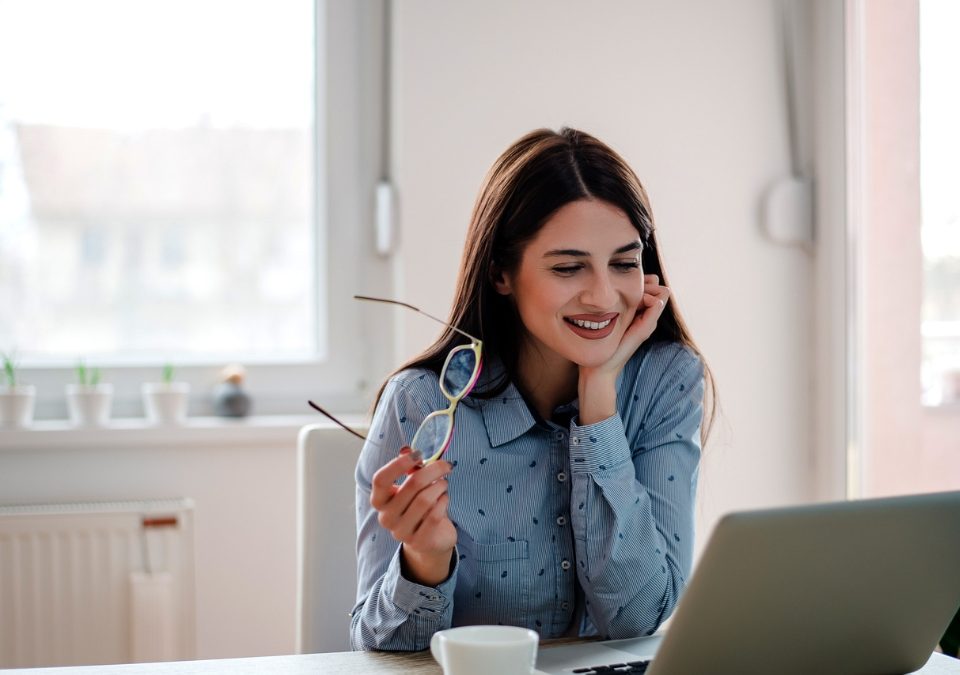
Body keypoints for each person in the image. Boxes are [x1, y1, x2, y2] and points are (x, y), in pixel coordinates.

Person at [350, 127, 716, 651]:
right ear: (501, 274)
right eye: (569, 267)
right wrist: (425, 564)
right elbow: (380, 647)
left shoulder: (666, 379)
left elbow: (638, 616)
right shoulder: (422, 404)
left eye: (624, 262)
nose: (603, 296)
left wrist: (600, 397)